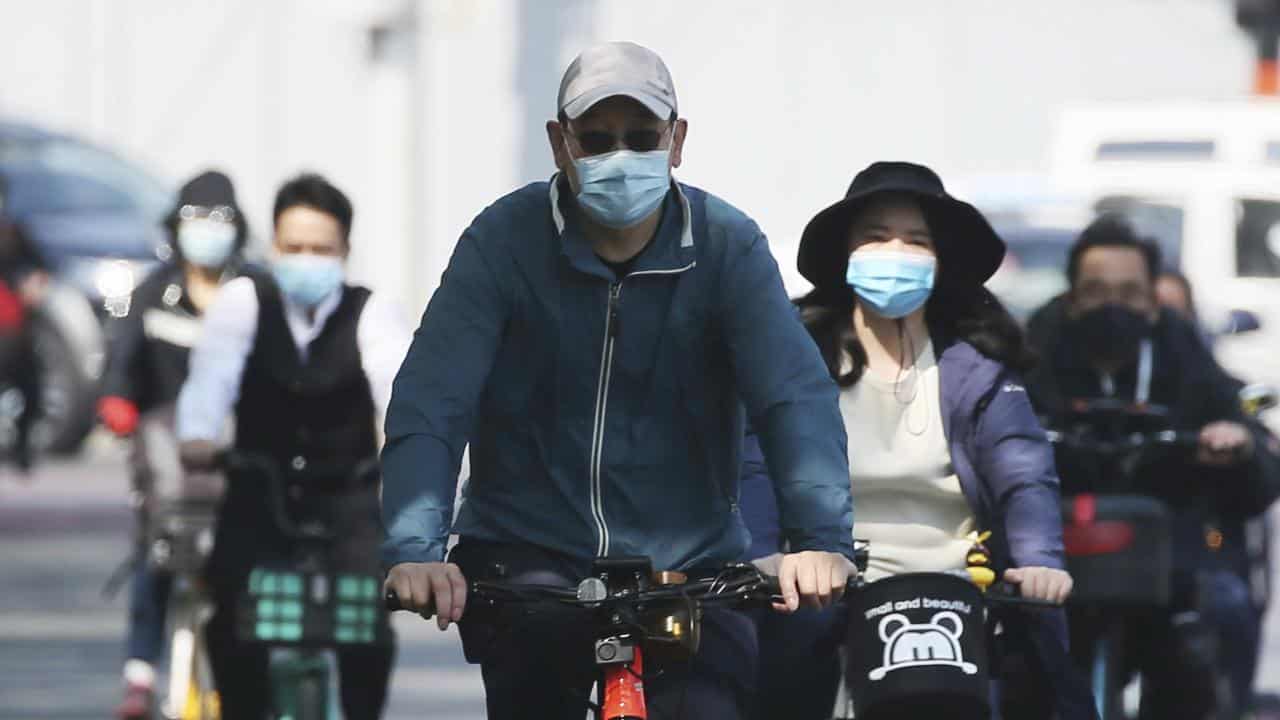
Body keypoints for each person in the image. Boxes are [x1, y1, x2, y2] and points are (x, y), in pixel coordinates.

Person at [380, 41, 855, 719]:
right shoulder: (503, 241)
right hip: (528, 557)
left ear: (677, 139)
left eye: (641, 137)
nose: (620, 157)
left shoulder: (727, 245)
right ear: (559, 143)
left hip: (689, 567)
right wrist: (415, 550)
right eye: (597, 140)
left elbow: (793, 398)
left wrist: (819, 541)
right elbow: (434, 399)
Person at [739, 161, 1093, 720]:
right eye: (877, 237)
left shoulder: (981, 372)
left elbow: (1026, 476)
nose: (896, 252)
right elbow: (756, 465)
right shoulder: (795, 358)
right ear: (847, 254)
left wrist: (1039, 564)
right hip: (822, 598)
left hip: (961, 601)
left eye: (916, 240)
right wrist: (764, 558)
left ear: (939, 260)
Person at [1025, 215, 1280, 719]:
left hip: (1167, 555)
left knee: (1211, 625)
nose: (1112, 304)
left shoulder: (1178, 348)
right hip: (1054, 554)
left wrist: (1236, 443)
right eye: (1095, 290)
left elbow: (1240, 431)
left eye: (1129, 291)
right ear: (1072, 296)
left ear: (1150, 298)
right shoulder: (1036, 344)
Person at [177, 173, 411, 720]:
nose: (307, 259)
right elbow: (212, 377)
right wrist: (199, 436)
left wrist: (404, 445)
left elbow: (398, 386)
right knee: (232, 626)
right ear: (274, 247)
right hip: (259, 495)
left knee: (368, 631)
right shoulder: (243, 302)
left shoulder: (372, 311)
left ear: (345, 250)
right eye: (294, 247)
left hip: (349, 504)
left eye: (321, 249)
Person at [101, 170, 253, 719]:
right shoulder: (153, 292)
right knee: (157, 553)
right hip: (164, 460)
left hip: (240, 458)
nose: (208, 233)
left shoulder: (252, 291)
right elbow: (119, 367)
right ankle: (140, 675)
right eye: (197, 221)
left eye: (220, 222)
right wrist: (116, 404)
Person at [1154, 267, 1280, 718]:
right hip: (1102, 562)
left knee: (1227, 607)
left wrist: (1241, 445)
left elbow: (1264, 478)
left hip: (1199, 551)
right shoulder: (1076, 385)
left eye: (1174, 314)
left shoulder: (1218, 389)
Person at [0, 173, 49, 471]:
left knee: (30, 387)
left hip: (12, 328)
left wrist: (34, 285)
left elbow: (41, 269)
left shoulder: (13, 234)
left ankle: (21, 446)